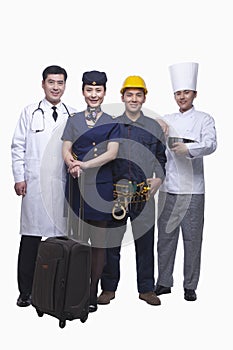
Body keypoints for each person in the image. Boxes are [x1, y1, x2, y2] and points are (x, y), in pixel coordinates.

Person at [11, 65, 77, 307]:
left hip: (62, 185)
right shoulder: (29, 112)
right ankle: (25, 291)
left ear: (65, 86)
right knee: (30, 240)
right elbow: (18, 146)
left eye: (60, 83)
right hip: (35, 185)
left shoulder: (73, 113)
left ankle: (58, 289)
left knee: (61, 240)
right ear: (43, 84)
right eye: (51, 82)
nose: (56, 87)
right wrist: (19, 177)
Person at [98, 75, 167, 306]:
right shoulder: (112, 125)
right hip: (116, 193)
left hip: (144, 193)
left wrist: (159, 180)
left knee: (145, 242)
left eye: (139, 95)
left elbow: (161, 159)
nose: (134, 99)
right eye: (130, 95)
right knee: (111, 244)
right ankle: (108, 288)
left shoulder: (153, 127)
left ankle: (146, 289)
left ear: (144, 98)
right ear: (123, 97)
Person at [155, 62, 217, 301]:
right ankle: (163, 282)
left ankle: (190, 285)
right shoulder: (167, 119)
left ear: (194, 94)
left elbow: (211, 144)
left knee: (192, 239)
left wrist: (188, 148)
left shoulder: (204, 119)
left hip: (193, 190)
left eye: (186, 93)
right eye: (178, 93)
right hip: (169, 188)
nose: (182, 97)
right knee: (166, 238)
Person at [61, 70, 120, 312]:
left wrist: (83, 164)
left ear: (104, 92)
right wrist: (70, 164)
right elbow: (65, 148)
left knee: (98, 244)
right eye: (89, 90)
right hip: (77, 188)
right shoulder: (73, 120)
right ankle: (75, 291)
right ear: (83, 91)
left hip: (102, 189)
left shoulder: (112, 121)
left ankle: (92, 291)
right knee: (77, 240)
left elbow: (112, 153)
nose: (93, 94)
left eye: (98, 90)